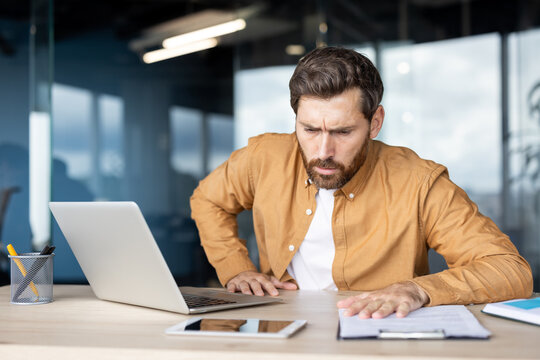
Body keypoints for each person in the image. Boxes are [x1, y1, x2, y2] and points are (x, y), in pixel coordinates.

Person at [190, 47, 533, 319]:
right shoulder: (265, 156)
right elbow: (208, 200)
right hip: (281, 336)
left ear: (375, 122)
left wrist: (417, 290)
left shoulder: (419, 182)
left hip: (377, 343)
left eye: (342, 132)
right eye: (309, 130)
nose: (323, 151)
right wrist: (237, 269)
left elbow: (509, 270)